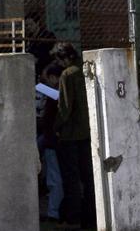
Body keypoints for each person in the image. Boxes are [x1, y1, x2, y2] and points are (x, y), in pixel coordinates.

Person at [52, 42, 95, 229]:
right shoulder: (86, 69)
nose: (58, 63)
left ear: (66, 57)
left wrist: (56, 127)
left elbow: (65, 106)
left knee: (71, 179)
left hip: (70, 135)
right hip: (86, 132)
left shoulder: (67, 74)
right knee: (88, 178)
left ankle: (73, 219)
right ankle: (91, 217)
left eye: (59, 59)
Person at [36, 63, 65, 224]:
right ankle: (54, 211)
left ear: (54, 78)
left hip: (52, 141)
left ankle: (53, 213)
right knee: (54, 176)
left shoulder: (55, 94)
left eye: (47, 78)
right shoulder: (58, 93)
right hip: (53, 140)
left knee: (54, 178)